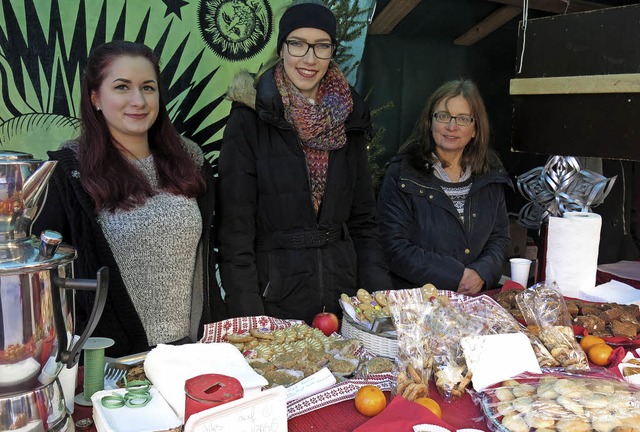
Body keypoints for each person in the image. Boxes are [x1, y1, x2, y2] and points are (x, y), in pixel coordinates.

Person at [32, 41, 224, 357]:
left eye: (148, 87)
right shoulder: (70, 172)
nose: (138, 100)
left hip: (191, 353)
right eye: (122, 87)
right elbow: (45, 284)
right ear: (95, 97)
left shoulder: (191, 161)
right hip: (112, 361)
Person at [218, 1, 391, 323]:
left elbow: (363, 221)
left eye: (321, 46)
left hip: (345, 298)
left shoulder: (349, 116)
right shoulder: (250, 117)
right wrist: (249, 316)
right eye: (298, 44)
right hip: (274, 298)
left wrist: (379, 299)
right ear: (282, 48)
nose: (309, 59)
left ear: (331, 52)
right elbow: (235, 232)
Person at [377, 79, 511, 295]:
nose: (452, 126)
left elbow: (499, 238)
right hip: (416, 305)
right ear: (430, 122)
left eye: (463, 119)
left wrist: (481, 273)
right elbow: (393, 245)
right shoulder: (403, 174)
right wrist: (455, 276)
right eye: (443, 116)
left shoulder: (490, 174)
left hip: (473, 304)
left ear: (475, 129)